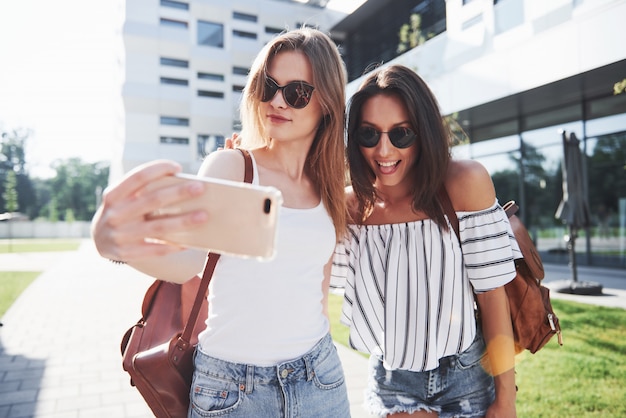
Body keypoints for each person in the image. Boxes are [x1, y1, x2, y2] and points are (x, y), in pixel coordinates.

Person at [92, 28, 351, 418]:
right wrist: (116, 243)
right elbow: (186, 263)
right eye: (268, 86)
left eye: (297, 92)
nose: (277, 101)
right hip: (232, 389)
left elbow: (317, 291)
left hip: (319, 378)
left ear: (327, 103)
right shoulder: (232, 166)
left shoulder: (328, 184)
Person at [331, 64, 520, 417]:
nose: (384, 150)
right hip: (392, 379)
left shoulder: (464, 183)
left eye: (401, 134)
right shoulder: (350, 207)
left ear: (425, 133)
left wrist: (505, 400)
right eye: (369, 134)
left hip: (467, 376)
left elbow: (493, 296)